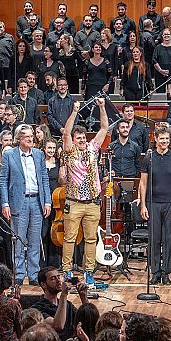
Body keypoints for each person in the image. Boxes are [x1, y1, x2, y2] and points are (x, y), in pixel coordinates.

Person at [60, 98, 109, 283]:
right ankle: (66, 271)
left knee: (91, 239)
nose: (81, 140)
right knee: (69, 238)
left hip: (92, 203)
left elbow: (104, 129)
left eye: (83, 137)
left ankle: (89, 272)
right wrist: (74, 111)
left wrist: (102, 107)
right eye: (78, 137)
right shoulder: (70, 151)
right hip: (74, 203)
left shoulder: (92, 148)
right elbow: (65, 133)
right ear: (73, 140)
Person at [0, 125, 51, 285]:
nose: (30, 139)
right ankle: (20, 274)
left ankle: (34, 275)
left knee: (35, 240)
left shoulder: (39, 154)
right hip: (18, 202)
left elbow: (44, 178)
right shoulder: (9, 155)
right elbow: (3, 180)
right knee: (19, 241)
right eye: (26, 136)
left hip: (36, 201)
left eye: (31, 136)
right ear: (18, 139)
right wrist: (5, 203)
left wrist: (47, 200)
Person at [140, 125, 171, 285]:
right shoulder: (148, 158)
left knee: (168, 239)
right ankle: (155, 272)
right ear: (156, 140)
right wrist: (143, 205)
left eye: (167, 138)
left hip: (170, 203)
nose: (165, 141)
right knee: (154, 239)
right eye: (162, 138)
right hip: (153, 203)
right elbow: (143, 183)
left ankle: (166, 272)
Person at [31, 267, 90, 341]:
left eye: (58, 277)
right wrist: (64, 295)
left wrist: (83, 296)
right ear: (43, 285)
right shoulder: (37, 309)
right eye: (53, 279)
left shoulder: (68, 305)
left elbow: (87, 319)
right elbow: (57, 326)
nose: (58, 281)